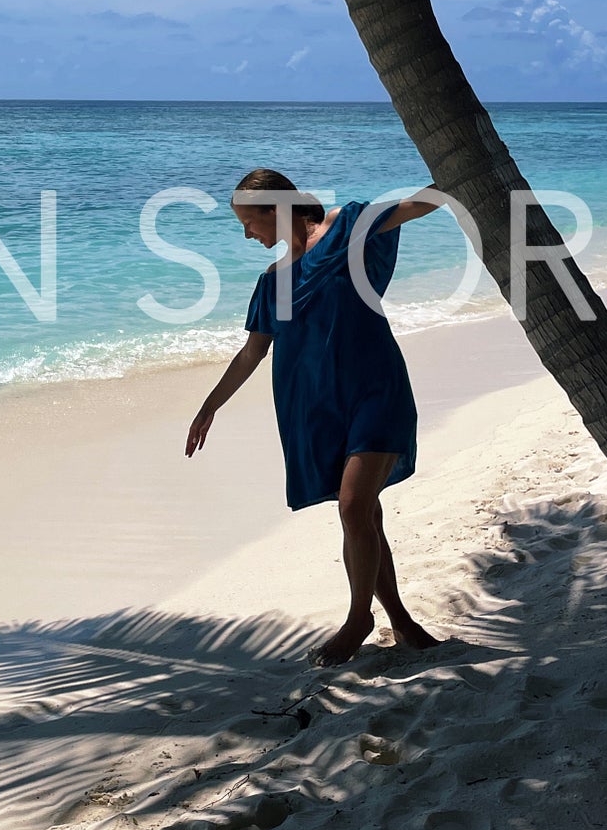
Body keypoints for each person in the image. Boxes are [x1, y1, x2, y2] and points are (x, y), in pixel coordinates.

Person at [186, 168, 442, 668]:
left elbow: (418, 206)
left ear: (274, 209)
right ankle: (401, 620)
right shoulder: (272, 282)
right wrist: (210, 404)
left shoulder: (350, 225)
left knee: (353, 507)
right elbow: (252, 353)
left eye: (248, 222)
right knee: (363, 512)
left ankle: (357, 620)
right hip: (314, 406)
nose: (246, 234)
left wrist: (457, 170)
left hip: (374, 389)